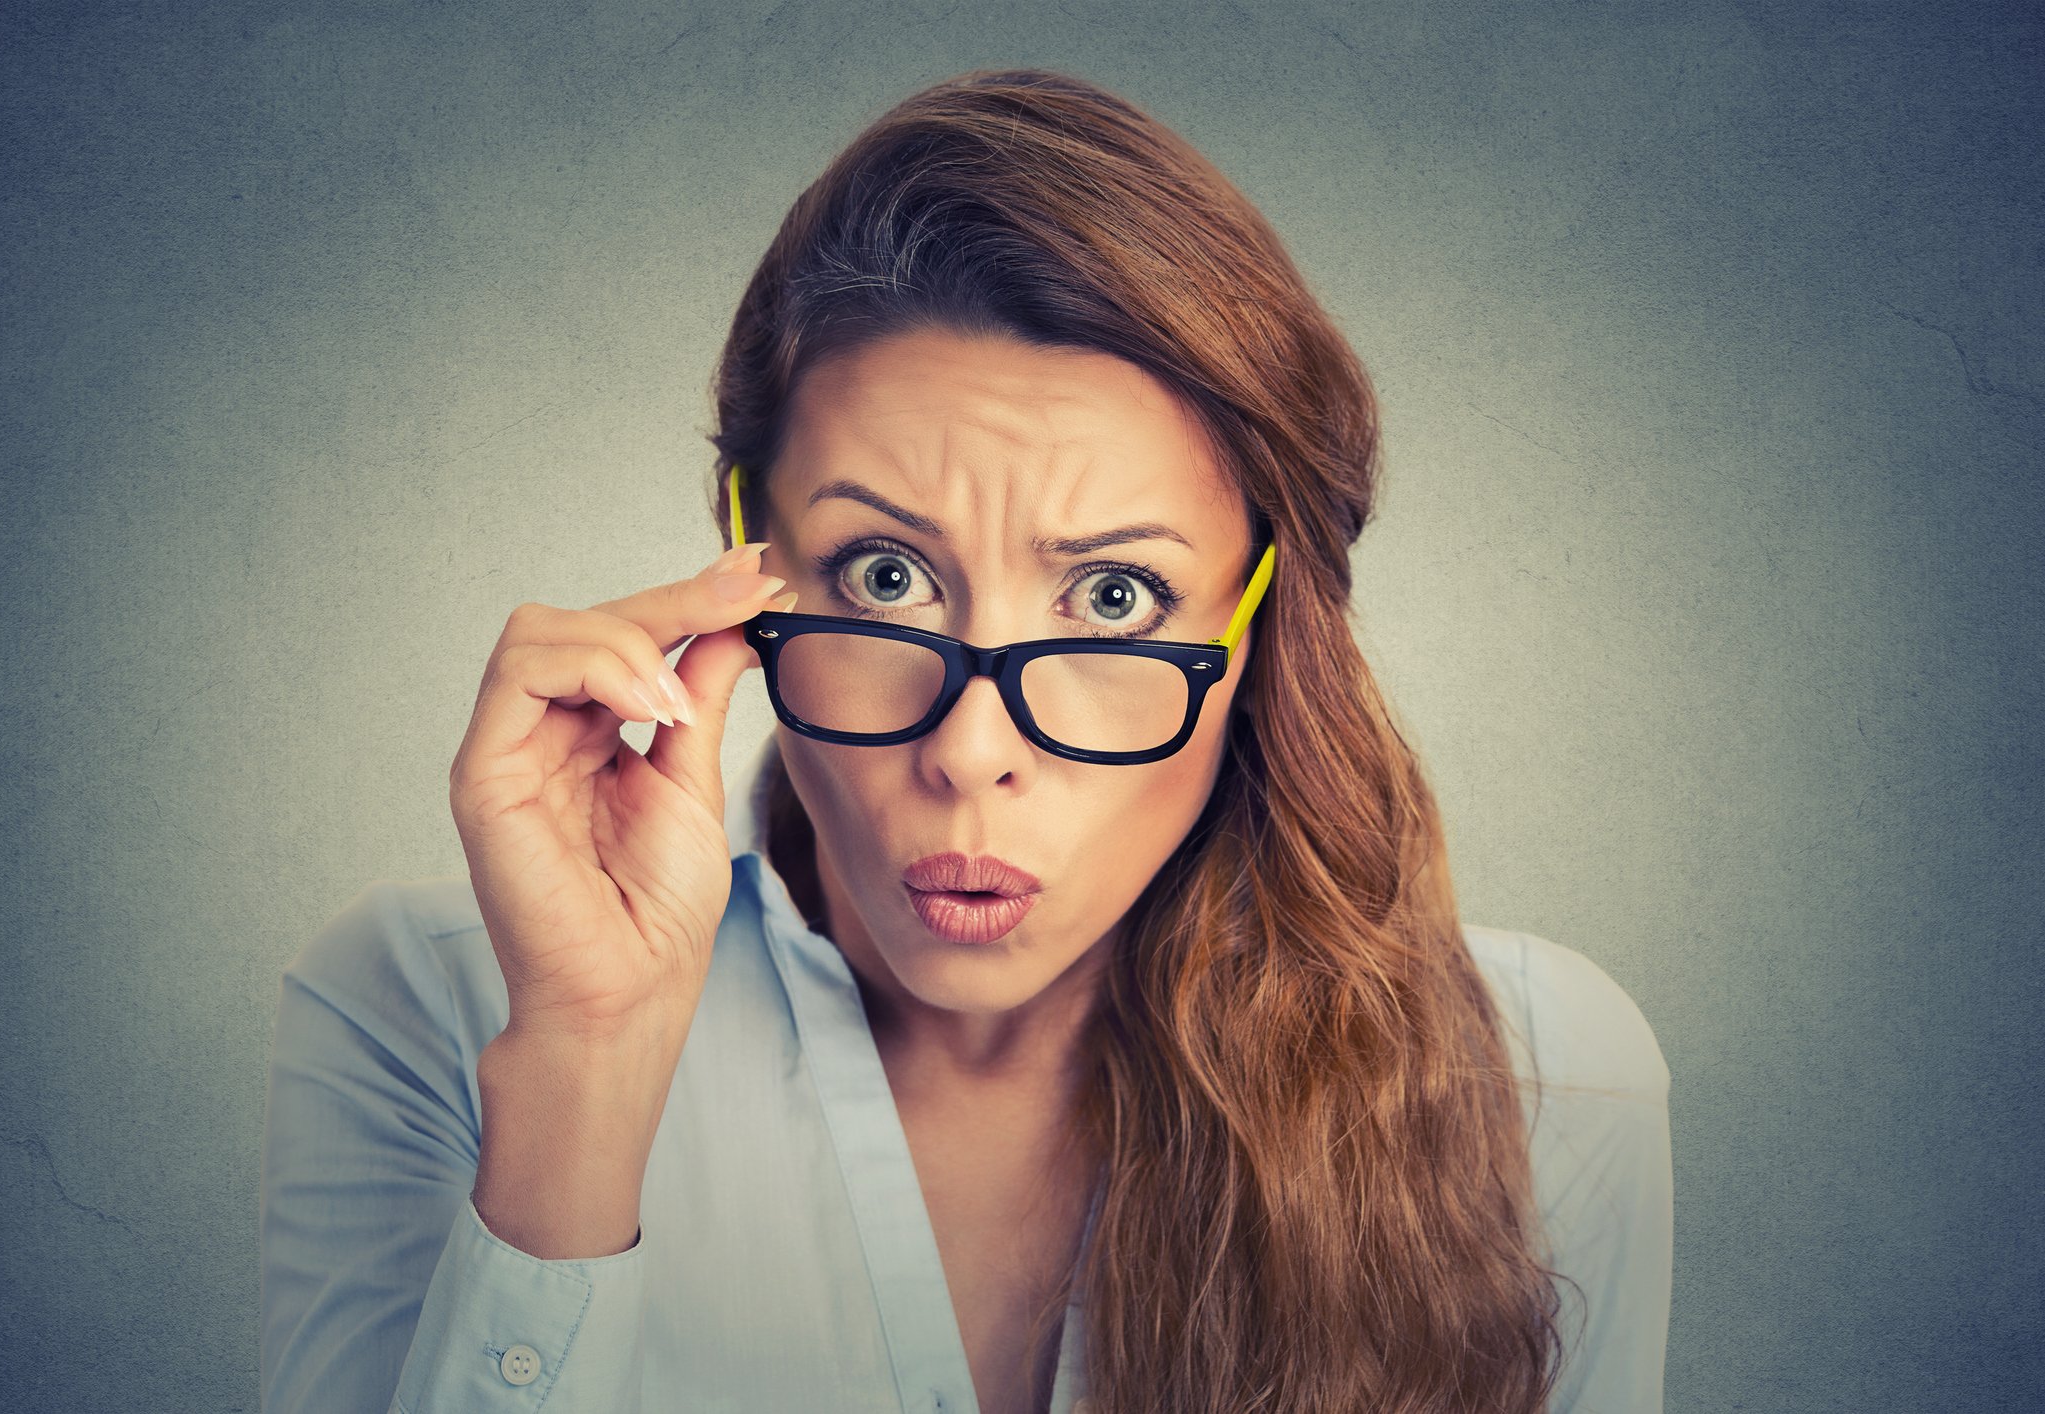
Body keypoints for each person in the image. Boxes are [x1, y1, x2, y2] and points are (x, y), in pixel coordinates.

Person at [260, 67, 1671, 1414]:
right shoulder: (435, 1009)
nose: (971, 750)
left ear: (1258, 625)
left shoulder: (1548, 1078)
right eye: (884, 576)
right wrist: (587, 1063)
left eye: (1115, 596)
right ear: (748, 561)